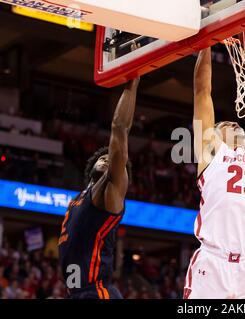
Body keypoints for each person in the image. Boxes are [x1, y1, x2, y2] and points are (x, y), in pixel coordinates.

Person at [183, 47, 245, 299]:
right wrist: (206, 44)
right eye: (224, 124)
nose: (234, 123)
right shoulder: (211, 151)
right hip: (213, 259)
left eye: (235, 123)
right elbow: (202, 91)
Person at [58, 46, 140, 299]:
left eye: (111, 159)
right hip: (77, 293)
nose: (107, 159)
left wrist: (132, 81)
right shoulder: (80, 197)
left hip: (98, 292)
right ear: (90, 164)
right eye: (101, 157)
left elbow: (119, 128)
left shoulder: (109, 192)